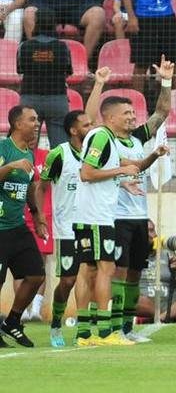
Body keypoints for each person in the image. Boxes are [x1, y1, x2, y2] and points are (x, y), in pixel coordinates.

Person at [73, 79, 167, 347]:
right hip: (97, 216)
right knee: (105, 269)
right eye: (126, 113)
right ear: (110, 117)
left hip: (95, 215)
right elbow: (87, 173)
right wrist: (120, 173)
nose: (132, 117)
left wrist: (123, 177)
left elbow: (122, 166)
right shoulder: (102, 136)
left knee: (91, 271)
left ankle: (84, 333)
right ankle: (105, 332)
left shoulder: (110, 141)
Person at [37, 108, 90, 348]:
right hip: (67, 228)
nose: (91, 129)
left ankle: (86, 328)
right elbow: (42, 186)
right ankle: (57, 321)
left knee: (92, 276)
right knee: (68, 280)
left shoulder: (95, 152)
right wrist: (39, 216)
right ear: (73, 130)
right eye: (86, 125)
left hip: (92, 224)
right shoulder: (58, 154)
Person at [0, 104, 48, 348]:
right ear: (17, 124)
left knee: (36, 274)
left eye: (37, 119)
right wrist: (10, 166)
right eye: (32, 119)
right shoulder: (3, 148)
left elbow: (30, 187)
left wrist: (38, 215)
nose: (37, 123)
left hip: (17, 227)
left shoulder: (28, 153)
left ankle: (13, 321)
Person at [17, 7, 71, 146]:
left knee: (27, 148)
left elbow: (20, 69)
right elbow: (68, 71)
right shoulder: (62, 47)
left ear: (36, 22)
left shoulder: (24, 46)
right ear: (54, 24)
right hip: (57, 99)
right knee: (60, 148)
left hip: (30, 99)